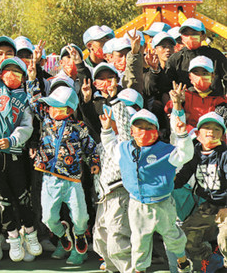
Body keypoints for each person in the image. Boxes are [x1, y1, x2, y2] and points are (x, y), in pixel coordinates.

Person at [0, 10, 39, 262]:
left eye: (17, 71)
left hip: (13, 150)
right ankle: (12, 237)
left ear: (23, 76)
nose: (11, 74)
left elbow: (27, 127)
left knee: (22, 194)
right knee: (1, 196)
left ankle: (30, 233)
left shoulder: (25, 98)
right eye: (7, 70)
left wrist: (12, 140)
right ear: (0, 73)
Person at [109, 109, 194, 273]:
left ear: (157, 131)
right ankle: (139, 269)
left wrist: (183, 134)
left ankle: (182, 261)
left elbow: (186, 154)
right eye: (139, 127)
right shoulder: (124, 149)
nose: (144, 131)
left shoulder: (166, 151)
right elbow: (109, 147)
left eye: (149, 128)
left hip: (163, 204)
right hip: (137, 205)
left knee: (172, 236)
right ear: (131, 131)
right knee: (139, 241)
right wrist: (106, 130)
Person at [31, 82, 98, 265]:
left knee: (81, 217)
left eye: (57, 106)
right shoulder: (46, 120)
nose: (52, 109)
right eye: (50, 105)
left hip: (72, 180)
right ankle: (62, 234)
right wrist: (32, 80)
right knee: (48, 218)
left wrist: (94, 163)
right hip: (49, 179)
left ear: (69, 110)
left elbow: (91, 147)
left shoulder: (79, 127)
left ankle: (79, 235)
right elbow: (35, 103)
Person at [92, 88, 142, 273]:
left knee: (117, 239)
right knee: (99, 237)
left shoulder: (126, 143)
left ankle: (129, 269)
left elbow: (123, 123)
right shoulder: (104, 141)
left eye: (113, 118)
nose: (109, 120)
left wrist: (114, 99)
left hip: (120, 192)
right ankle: (112, 268)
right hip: (104, 196)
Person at [175, 112, 227, 272]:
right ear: (198, 134)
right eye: (207, 128)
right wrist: (167, 184)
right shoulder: (195, 152)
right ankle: (212, 259)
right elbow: (183, 176)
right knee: (186, 238)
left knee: (225, 237)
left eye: (216, 129)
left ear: (223, 136)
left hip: (225, 204)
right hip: (207, 205)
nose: (211, 132)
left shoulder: (224, 154)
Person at [165, 57, 227, 128]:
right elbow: (169, 111)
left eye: (204, 73)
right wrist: (177, 102)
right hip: (186, 133)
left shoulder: (219, 99)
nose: (200, 77)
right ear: (190, 76)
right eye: (196, 73)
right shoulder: (183, 95)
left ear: (212, 76)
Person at [167, 18, 227, 91]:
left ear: (203, 36)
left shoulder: (215, 55)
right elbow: (167, 84)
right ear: (182, 37)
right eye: (186, 34)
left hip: (214, 97)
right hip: (186, 98)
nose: (190, 37)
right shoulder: (176, 59)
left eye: (194, 33)